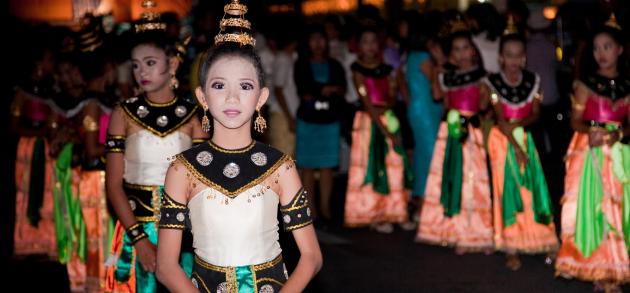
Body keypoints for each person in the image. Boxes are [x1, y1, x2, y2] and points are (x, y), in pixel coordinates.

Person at [155, 1, 322, 292]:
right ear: (202, 97)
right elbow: (166, 266)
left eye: (245, 87)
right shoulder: (182, 169)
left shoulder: (280, 166)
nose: (232, 97)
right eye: (219, 86)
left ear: (261, 98)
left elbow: (311, 256)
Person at [104, 1, 207, 291]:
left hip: (184, 230)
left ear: (172, 63)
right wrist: (141, 240)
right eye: (136, 65)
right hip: (137, 228)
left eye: (150, 63)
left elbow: (200, 183)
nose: (141, 73)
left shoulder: (193, 115)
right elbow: (113, 185)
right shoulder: (122, 114)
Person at [555, 14, 630, 292]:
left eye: (607, 47)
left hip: (619, 154)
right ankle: (599, 267)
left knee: (620, 208)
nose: (601, 53)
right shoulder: (585, 84)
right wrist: (592, 132)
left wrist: (618, 134)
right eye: (596, 48)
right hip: (590, 151)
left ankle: (617, 264)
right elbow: (575, 122)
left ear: (620, 50)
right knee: (594, 208)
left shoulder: (627, 85)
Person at [415, 16, 493, 254]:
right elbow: (440, 98)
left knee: (474, 181)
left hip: (472, 133)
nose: (461, 53)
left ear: (473, 50)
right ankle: (453, 229)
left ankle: (476, 231)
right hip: (450, 133)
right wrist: (438, 70)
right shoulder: (447, 75)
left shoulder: (482, 76)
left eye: (465, 48)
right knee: (451, 179)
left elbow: (483, 106)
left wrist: (485, 95)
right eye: (456, 49)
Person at [485, 20, 558, 271]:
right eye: (509, 55)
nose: (514, 60)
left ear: (524, 58)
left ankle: (543, 239)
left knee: (533, 191)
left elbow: (536, 114)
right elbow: (501, 121)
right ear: (501, 58)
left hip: (525, 139)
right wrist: (516, 146)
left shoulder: (532, 81)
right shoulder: (494, 82)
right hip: (503, 142)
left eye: (518, 55)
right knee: (509, 193)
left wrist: (521, 134)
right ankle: (510, 246)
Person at [344, 27, 413, 233]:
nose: (370, 46)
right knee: (373, 166)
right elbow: (367, 103)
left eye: (374, 41)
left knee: (395, 165)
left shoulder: (386, 69)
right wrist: (385, 131)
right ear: (359, 46)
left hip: (388, 118)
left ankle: (397, 211)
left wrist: (393, 89)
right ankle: (375, 213)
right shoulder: (358, 70)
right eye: (365, 41)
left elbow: (391, 99)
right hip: (369, 122)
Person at [294, 26, 346, 222]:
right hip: (308, 120)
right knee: (307, 166)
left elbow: (341, 87)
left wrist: (327, 90)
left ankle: (325, 208)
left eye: (321, 39)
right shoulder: (301, 64)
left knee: (327, 166)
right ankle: (311, 209)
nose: (318, 43)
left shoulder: (335, 64)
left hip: (330, 120)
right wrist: (326, 89)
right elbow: (304, 88)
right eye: (313, 39)